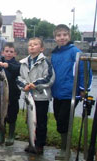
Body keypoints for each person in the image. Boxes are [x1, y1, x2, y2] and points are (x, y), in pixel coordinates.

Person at [51, 24, 92, 159]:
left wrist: (82, 89)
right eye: (59, 35)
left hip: (70, 94)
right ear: (55, 38)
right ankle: (64, 145)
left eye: (64, 35)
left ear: (69, 36)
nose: (62, 38)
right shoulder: (54, 54)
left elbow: (85, 72)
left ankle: (65, 149)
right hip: (57, 93)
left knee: (64, 121)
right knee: (58, 119)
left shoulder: (75, 52)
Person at [17, 37, 55, 154]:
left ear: (41, 48)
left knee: (41, 122)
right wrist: (24, 86)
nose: (32, 46)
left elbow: (49, 78)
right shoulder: (23, 63)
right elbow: (19, 78)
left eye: (35, 44)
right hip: (29, 97)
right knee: (30, 121)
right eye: (30, 45)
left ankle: (40, 144)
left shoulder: (46, 62)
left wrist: (36, 84)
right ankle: (31, 143)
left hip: (41, 98)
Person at [0, 42, 21, 145]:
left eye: (11, 52)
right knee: (1, 115)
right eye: (7, 51)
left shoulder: (17, 64)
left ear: (15, 54)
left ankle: (11, 135)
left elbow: (17, 70)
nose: (9, 53)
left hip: (13, 97)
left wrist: (7, 65)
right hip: (1, 96)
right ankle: (1, 135)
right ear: (3, 52)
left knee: (12, 116)